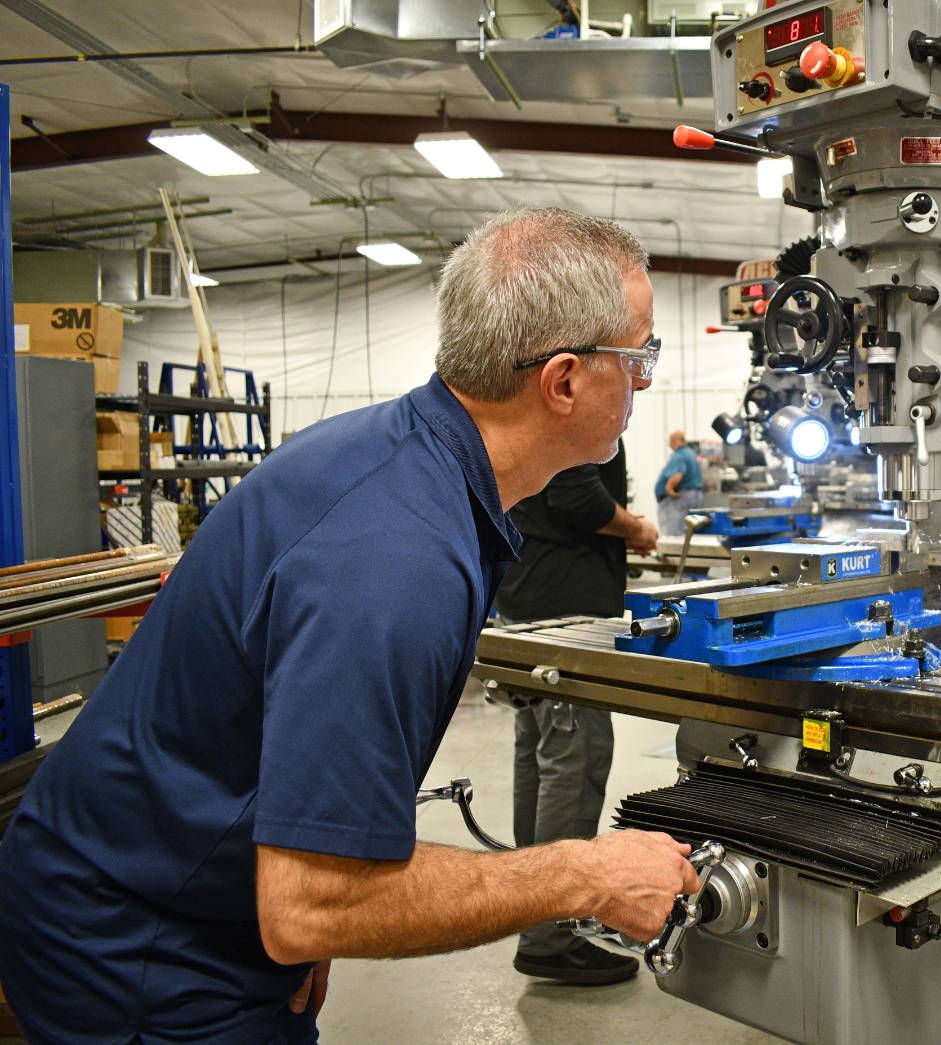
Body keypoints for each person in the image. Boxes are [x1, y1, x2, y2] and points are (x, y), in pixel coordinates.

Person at [0, 207, 700, 1043]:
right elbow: (307, 905)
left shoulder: (406, 464)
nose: (647, 380)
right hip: (141, 949)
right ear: (562, 381)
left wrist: (333, 897)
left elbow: (307, 867)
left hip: (189, 900)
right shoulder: (397, 557)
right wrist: (583, 874)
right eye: (641, 356)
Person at [494, 439, 658, 985]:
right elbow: (576, 497)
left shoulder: (529, 410)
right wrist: (636, 528)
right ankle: (552, 934)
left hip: (532, 601)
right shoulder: (579, 413)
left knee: (540, 762)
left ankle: (537, 910)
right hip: (567, 613)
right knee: (574, 761)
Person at [655, 429, 705, 534]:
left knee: (673, 532)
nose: (670, 444)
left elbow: (678, 473)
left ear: (676, 441)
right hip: (695, 495)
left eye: (671, 441)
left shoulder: (679, 455)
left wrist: (669, 489)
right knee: (689, 531)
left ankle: (671, 551)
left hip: (681, 498)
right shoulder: (691, 453)